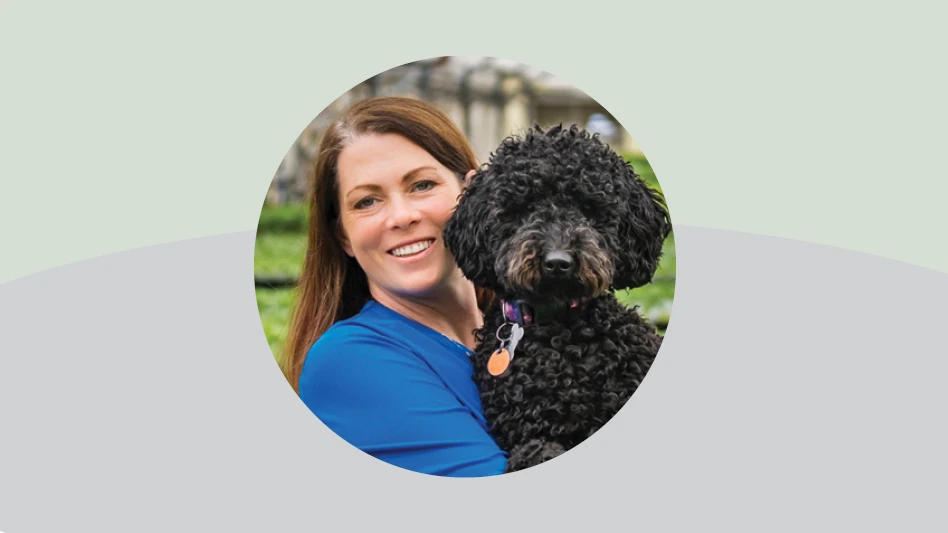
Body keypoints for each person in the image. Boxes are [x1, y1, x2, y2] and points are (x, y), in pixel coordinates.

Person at [282, 96, 507, 477]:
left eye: (421, 185)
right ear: (344, 238)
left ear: (474, 194)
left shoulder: (524, 327)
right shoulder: (348, 362)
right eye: (367, 201)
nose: (401, 217)